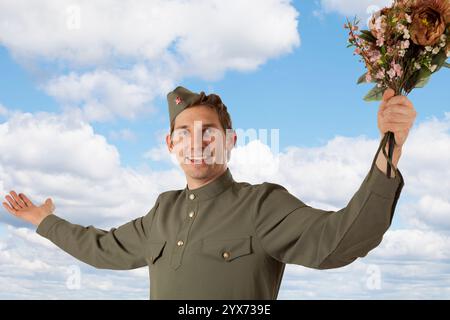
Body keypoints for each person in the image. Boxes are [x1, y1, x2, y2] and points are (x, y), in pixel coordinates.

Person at [2, 86, 416, 299]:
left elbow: (340, 240)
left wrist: (390, 146)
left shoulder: (263, 205)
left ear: (230, 140)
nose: (196, 143)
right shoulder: (161, 213)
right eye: (184, 133)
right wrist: (43, 220)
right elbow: (101, 248)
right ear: (170, 145)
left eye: (208, 132)